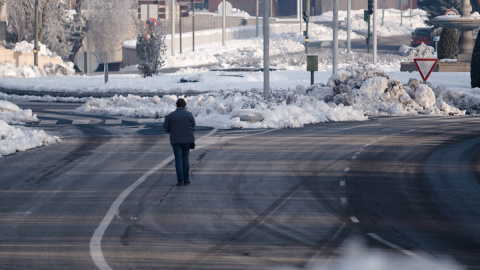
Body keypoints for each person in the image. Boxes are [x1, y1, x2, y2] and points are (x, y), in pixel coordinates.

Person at [163, 98, 196, 186]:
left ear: (176, 105)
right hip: (187, 140)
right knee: (185, 159)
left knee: (178, 159)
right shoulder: (189, 115)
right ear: (185, 105)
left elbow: (165, 128)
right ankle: (186, 179)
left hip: (176, 140)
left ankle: (180, 180)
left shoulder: (171, 115)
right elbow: (193, 126)